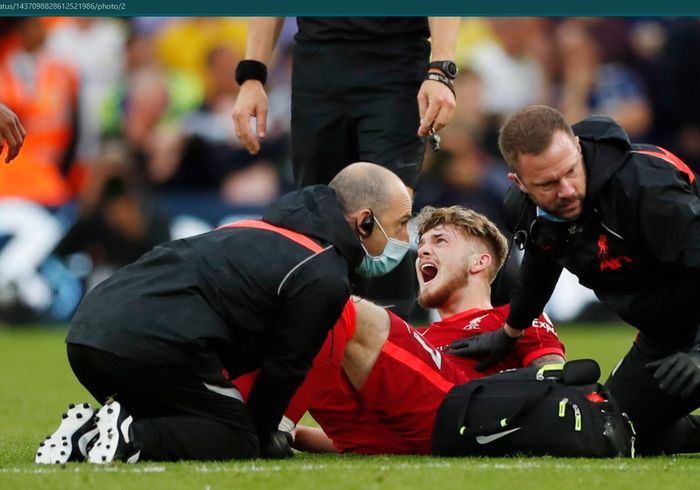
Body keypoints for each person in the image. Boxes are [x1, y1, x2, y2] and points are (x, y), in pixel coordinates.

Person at [35, 162, 413, 464]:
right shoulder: (323, 273)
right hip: (150, 344)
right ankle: (132, 437)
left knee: (195, 418)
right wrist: (262, 437)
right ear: (364, 221)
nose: (404, 239)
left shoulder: (258, 228)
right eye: (400, 224)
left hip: (85, 336)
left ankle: (88, 432)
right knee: (236, 437)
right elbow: (285, 368)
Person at [449, 105, 700, 454]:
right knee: (609, 432)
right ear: (520, 184)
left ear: (578, 148)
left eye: (570, 171)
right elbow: (542, 258)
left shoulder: (645, 186)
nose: (565, 190)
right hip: (665, 333)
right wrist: (510, 332)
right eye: (548, 183)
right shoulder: (525, 208)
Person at [236, 205, 565, 454]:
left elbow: (553, 373)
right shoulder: (418, 343)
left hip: (459, 412)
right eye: (421, 244)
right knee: (289, 322)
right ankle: (234, 415)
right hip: (402, 429)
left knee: (332, 302)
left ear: (478, 262)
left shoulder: (511, 319)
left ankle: (263, 425)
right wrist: (296, 437)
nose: (422, 250)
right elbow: (374, 436)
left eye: (440, 241)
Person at [232, 17, 461, 318]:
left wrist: (441, 70)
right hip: (316, 64)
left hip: (395, 62)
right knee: (317, 219)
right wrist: (252, 74)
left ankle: (388, 346)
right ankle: (320, 340)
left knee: (385, 211)